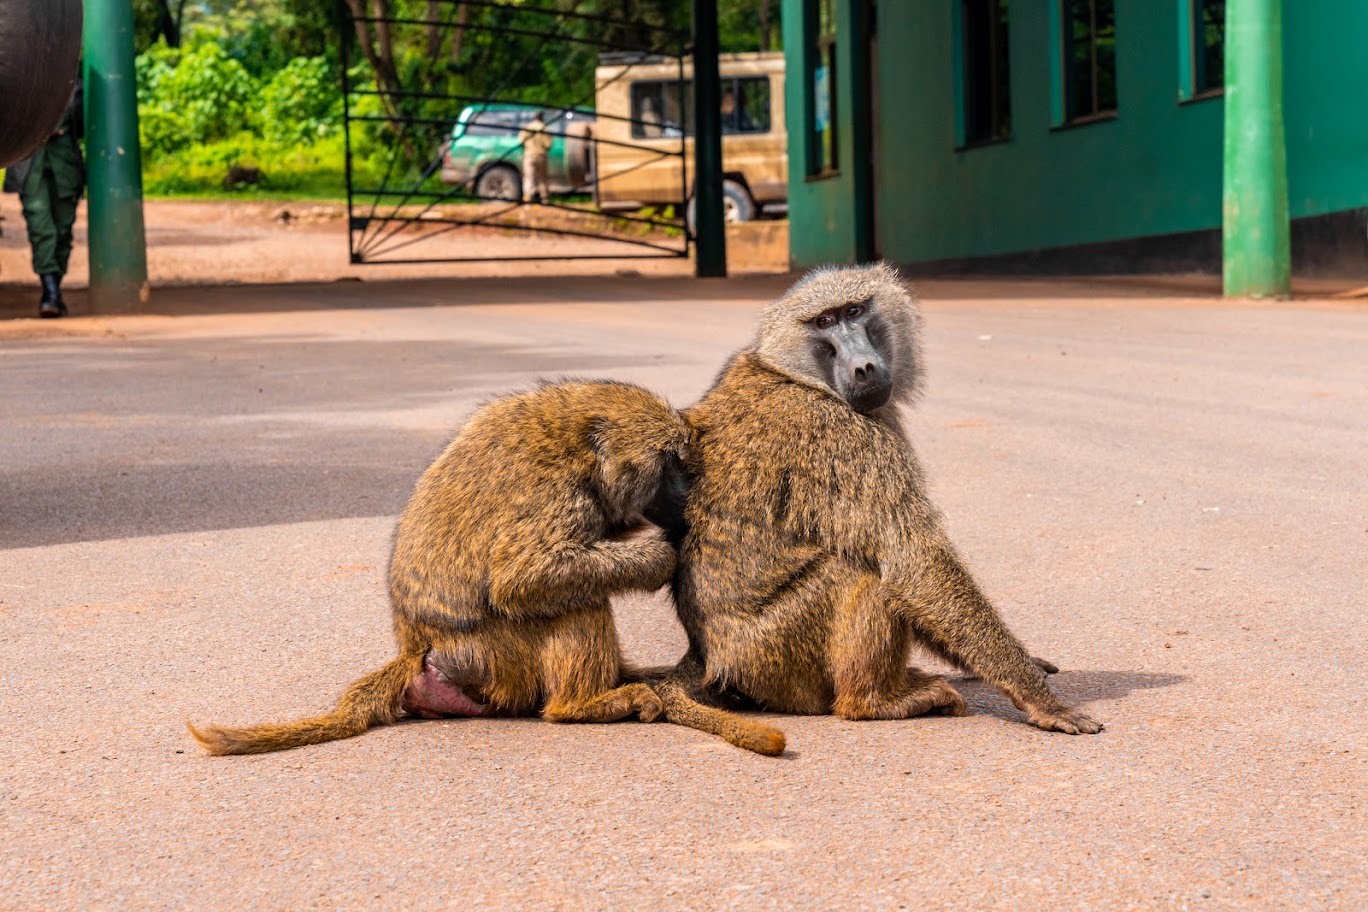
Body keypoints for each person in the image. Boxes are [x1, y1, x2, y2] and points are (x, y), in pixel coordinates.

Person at [3, 82, 84, 318]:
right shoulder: (18, 87)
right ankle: (50, 290)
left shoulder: (75, 89)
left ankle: (54, 287)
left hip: (64, 167)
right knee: (41, 228)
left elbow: (82, 126)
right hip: (30, 168)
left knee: (63, 230)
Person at [518, 110, 553, 204]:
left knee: (529, 178)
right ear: (542, 117)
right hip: (541, 155)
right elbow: (548, 144)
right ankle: (545, 199)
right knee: (543, 179)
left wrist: (528, 147)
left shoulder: (527, 127)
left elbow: (520, 141)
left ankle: (528, 199)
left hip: (529, 156)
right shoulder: (544, 128)